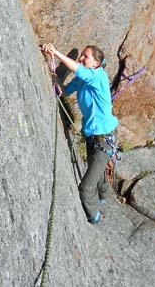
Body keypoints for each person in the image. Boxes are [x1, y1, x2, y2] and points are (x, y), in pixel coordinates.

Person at [41, 42, 118, 225]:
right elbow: (65, 90)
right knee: (96, 170)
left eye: (86, 57)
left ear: (96, 64)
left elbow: (79, 70)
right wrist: (49, 65)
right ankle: (105, 194)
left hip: (104, 139)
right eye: (81, 55)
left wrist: (56, 53)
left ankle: (94, 216)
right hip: (93, 136)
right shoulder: (82, 79)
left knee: (85, 187)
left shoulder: (98, 77)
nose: (81, 59)